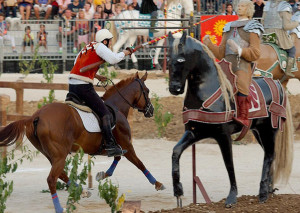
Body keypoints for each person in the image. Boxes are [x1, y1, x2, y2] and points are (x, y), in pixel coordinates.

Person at [68, 29, 132, 157]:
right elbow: (114, 59)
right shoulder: (100, 46)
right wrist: (125, 52)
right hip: (83, 86)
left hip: (72, 85)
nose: (109, 44)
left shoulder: (88, 47)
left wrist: (96, 76)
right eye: (109, 41)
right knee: (105, 113)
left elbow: (77, 64)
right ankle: (110, 146)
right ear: (104, 40)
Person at [203, 0, 263, 127]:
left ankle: (244, 116)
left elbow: (256, 53)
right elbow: (220, 53)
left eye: (243, 6)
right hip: (226, 65)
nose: (240, 8)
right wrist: (208, 43)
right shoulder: (228, 26)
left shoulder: (253, 26)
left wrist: (240, 50)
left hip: (242, 65)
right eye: (239, 5)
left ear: (248, 9)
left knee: (240, 82)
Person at [262, 0, 300, 77]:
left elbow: (262, 22)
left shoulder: (267, 5)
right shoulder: (284, 6)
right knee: (292, 49)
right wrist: (297, 23)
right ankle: (288, 71)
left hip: (266, 34)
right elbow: (286, 26)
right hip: (279, 34)